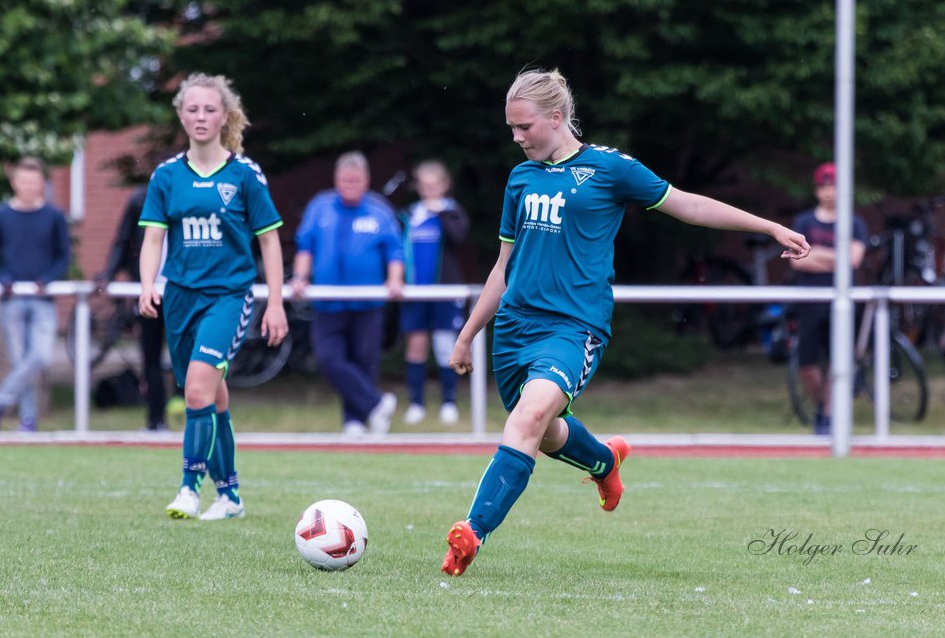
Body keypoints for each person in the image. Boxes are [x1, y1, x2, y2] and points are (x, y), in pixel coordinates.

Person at [440, 68, 810, 576]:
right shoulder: (519, 178)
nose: (516, 137)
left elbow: (690, 206)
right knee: (544, 433)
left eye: (524, 127)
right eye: (511, 129)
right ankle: (603, 463)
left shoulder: (609, 170)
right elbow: (503, 267)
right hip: (513, 331)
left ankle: (472, 533)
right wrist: (467, 335)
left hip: (573, 328)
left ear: (557, 116)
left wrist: (769, 227)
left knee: (525, 421)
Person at [137, 72, 288, 521]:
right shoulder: (166, 177)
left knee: (198, 391)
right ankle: (231, 497)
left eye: (209, 109)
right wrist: (149, 284)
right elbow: (151, 240)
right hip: (180, 298)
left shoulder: (244, 174)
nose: (201, 116)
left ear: (225, 116)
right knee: (212, 396)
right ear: (181, 116)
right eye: (192, 109)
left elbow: (270, 241)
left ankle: (189, 488)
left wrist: (275, 302)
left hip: (228, 297)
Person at [293, 151, 405, 437]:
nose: (350, 185)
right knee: (328, 358)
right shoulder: (321, 207)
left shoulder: (380, 210)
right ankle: (377, 404)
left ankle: (355, 421)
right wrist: (300, 277)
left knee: (364, 361)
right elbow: (305, 245)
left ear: (366, 180)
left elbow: (394, 249)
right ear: (336, 180)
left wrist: (394, 280)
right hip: (327, 303)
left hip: (368, 303)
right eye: (345, 180)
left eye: (355, 180)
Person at [0, 156, 72, 432]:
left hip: (42, 298)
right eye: (24, 181)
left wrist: (47, 279)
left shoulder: (54, 217)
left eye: (34, 181)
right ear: (14, 183)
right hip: (12, 299)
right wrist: (3, 279)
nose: (29, 186)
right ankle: (28, 420)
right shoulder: (0, 216)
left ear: (41, 183)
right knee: (21, 361)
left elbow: (63, 257)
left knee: (40, 356)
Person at [787, 162, 869, 436]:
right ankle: (824, 407)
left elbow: (854, 261)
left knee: (839, 362)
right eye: (824, 186)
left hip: (841, 303)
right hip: (810, 302)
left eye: (834, 186)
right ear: (816, 190)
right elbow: (798, 263)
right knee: (807, 365)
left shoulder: (854, 223)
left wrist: (817, 253)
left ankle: (830, 419)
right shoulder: (803, 222)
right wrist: (837, 257)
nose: (829, 192)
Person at [400, 160, 470, 426]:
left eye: (434, 185)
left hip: (445, 291)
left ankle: (449, 403)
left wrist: (439, 213)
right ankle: (416, 404)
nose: (429, 190)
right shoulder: (410, 213)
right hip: (416, 292)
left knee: (444, 347)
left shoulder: (452, 212)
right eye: (424, 185)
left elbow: (459, 237)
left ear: (444, 186)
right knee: (416, 347)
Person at [96, 185, 170, 431]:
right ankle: (156, 420)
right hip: (149, 292)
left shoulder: (194, 197)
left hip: (184, 292)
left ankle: (195, 416)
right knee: (150, 356)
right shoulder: (140, 201)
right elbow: (123, 239)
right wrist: (108, 274)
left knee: (191, 356)